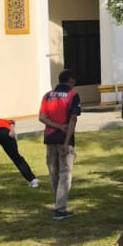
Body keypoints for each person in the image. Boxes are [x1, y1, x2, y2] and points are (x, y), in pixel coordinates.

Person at [39, 68, 82, 220]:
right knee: (65, 173)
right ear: (70, 80)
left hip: (49, 138)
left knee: (53, 172)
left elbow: (42, 117)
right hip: (65, 140)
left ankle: (57, 203)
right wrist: (66, 141)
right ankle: (60, 209)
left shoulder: (47, 96)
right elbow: (72, 120)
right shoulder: (72, 96)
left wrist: (55, 126)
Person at [0, 117, 38, 192]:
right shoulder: (4, 121)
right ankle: (33, 180)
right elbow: (12, 122)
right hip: (5, 133)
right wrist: (12, 131)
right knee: (16, 157)